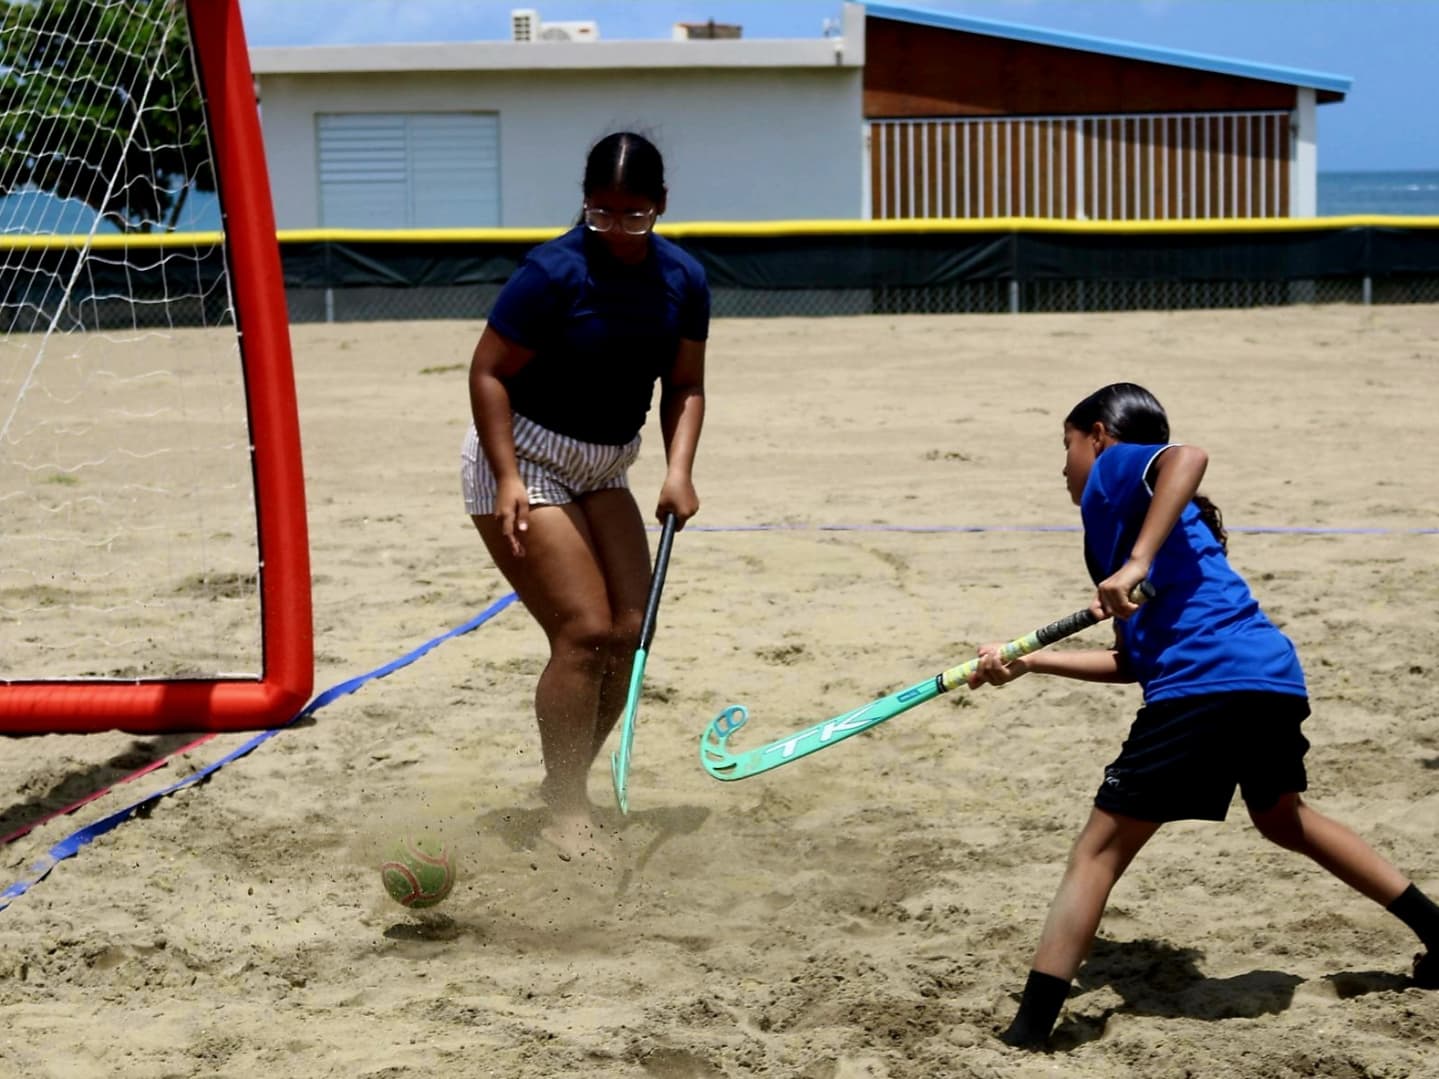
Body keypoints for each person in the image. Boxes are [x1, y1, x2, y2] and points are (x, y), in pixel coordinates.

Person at [967, 382, 1439, 1049]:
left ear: (1098, 434)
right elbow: (1133, 662)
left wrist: (1133, 560)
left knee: (1095, 853)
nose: (1063, 466)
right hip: (1267, 676)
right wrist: (1033, 663)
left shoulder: (1115, 468)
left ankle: (1026, 1031)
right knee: (1282, 816)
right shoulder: (1119, 535)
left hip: (1206, 686)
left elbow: (1187, 455)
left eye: (1065, 445)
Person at [462, 131, 709, 862]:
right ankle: (566, 805)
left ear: (661, 206)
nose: (615, 230)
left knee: (629, 634)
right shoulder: (551, 271)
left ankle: (562, 781)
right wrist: (507, 476)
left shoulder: (684, 278)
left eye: (632, 215)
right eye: (600, 213)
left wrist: (678, 470)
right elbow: (486, 373)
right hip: (524, 455)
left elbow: (685, 384)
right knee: (583, 630)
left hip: (606, 464)